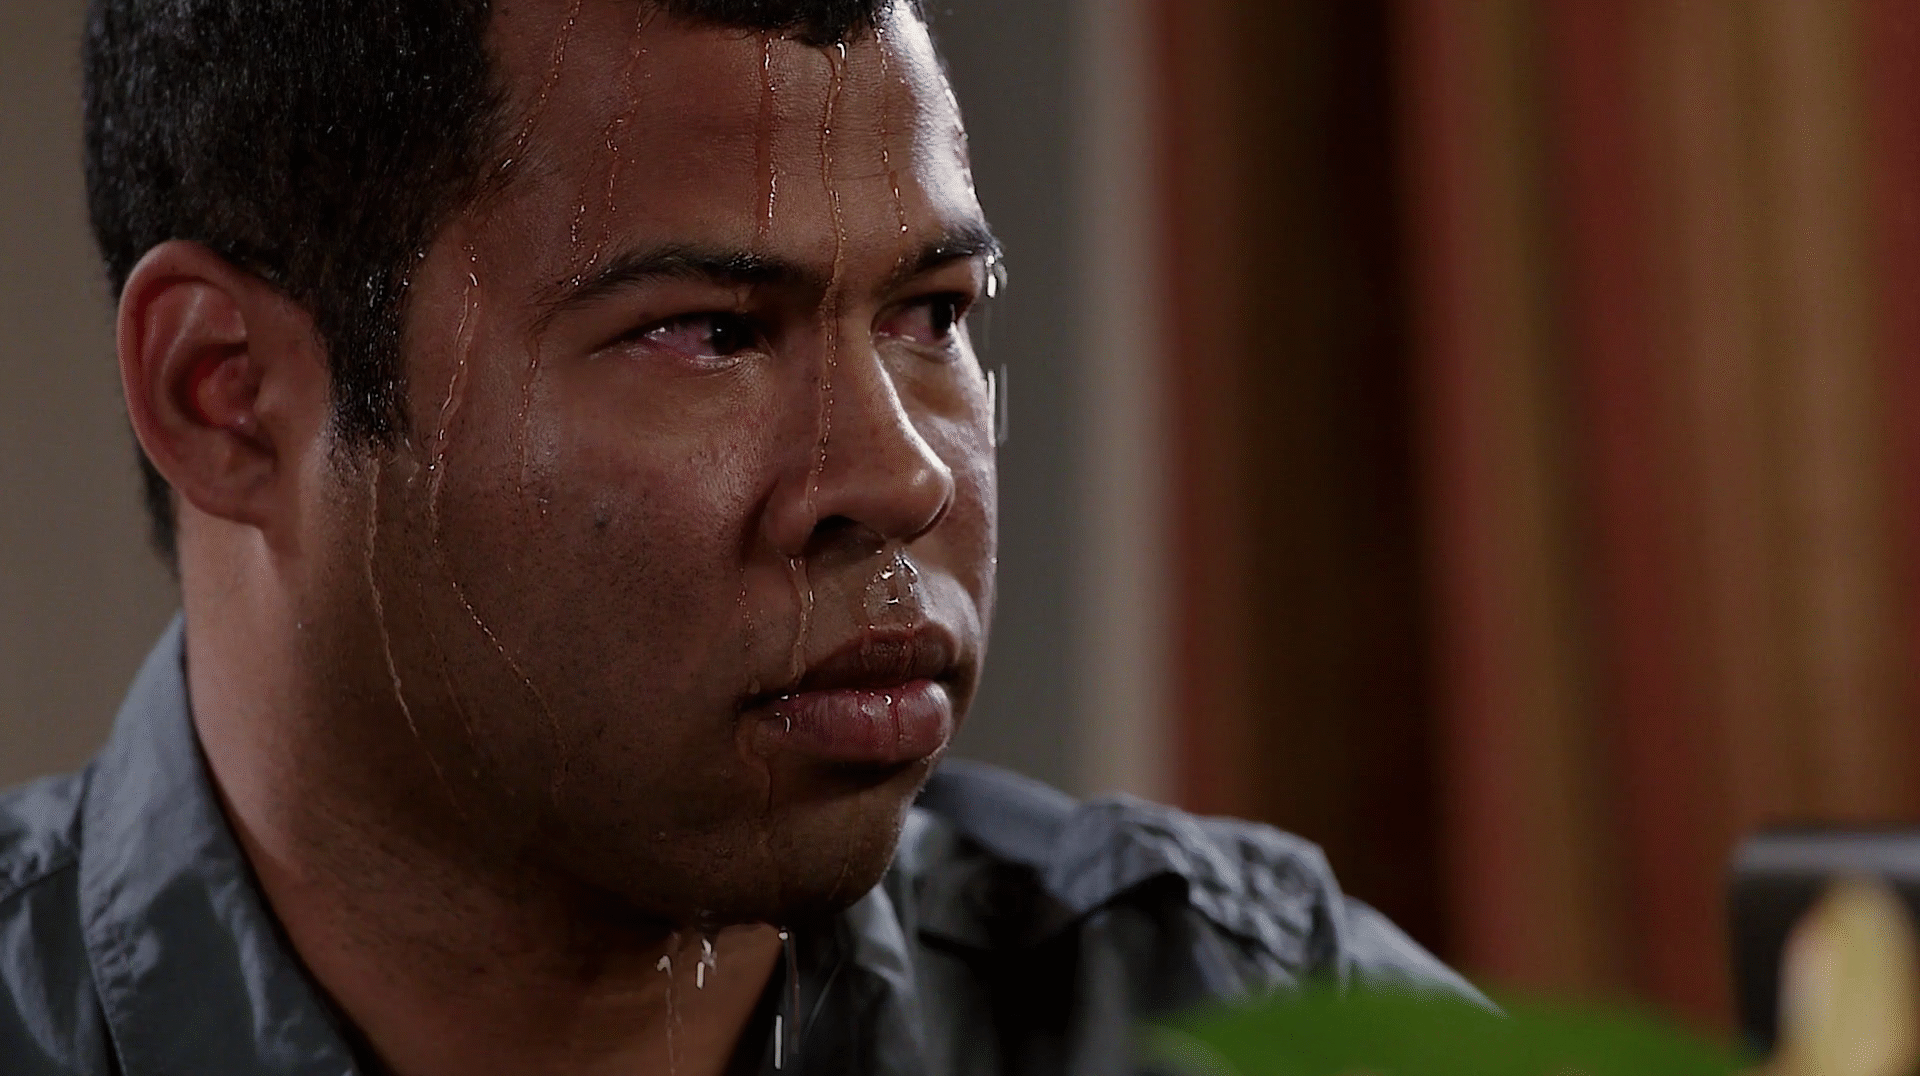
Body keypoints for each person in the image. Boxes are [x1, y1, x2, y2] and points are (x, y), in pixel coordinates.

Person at [0, 1, 1479, 1073]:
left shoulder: (1245, 1020)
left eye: (931, 315)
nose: (901, 479)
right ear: (227, 396)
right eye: (709, 333)